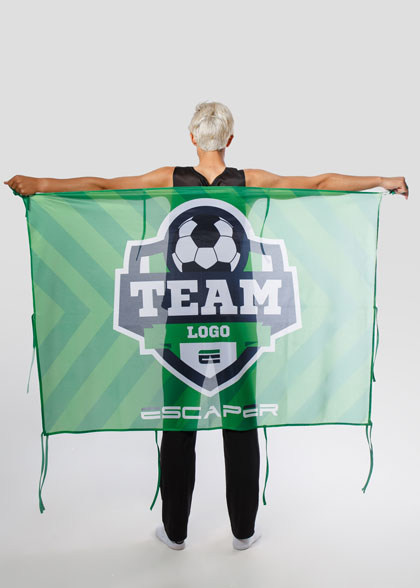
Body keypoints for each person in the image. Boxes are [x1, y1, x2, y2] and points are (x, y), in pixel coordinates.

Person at [4, 101, 409, 552]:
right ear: (230, 139)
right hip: (238, 318)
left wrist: (41, 185)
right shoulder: (248, 181)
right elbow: (320, 182)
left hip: (181, 319)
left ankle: (175, 533)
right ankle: (243, 533)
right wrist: (381, 179)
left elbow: (102, 185)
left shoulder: (170, 178)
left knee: (179, 422)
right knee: (241, 421)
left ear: (192, 138)